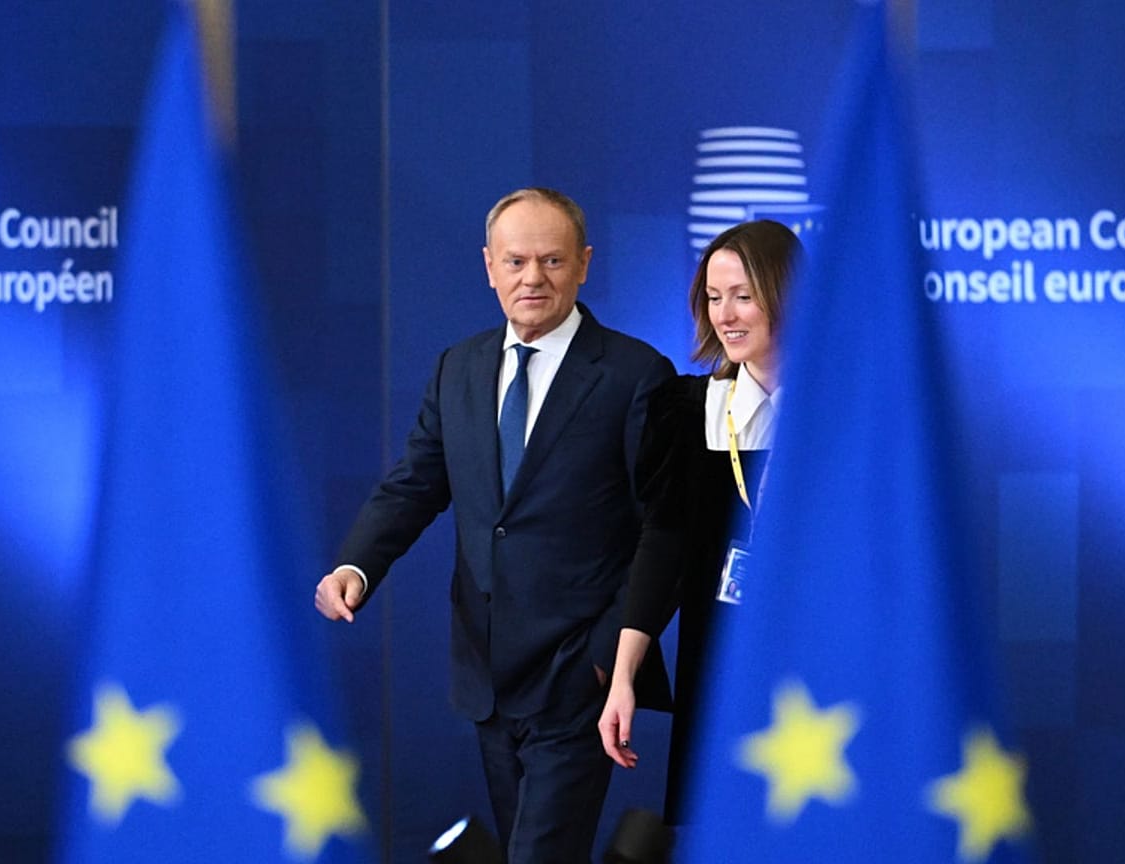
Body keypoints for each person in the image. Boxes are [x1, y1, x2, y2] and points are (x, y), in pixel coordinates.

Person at [314, 187, 676, 863]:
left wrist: (606, 658)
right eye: (515, 261)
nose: (532, 278)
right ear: (488, 266)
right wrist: (356, 566)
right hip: (488, 675)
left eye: (551, 260)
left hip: (578, 677)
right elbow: (415, 483)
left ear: (584, 263)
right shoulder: (460, 366)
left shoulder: (635, 375)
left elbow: (660, 530)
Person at [597, 220, 802, 824]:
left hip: (817, 667)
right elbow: (662, 550)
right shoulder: (688, 410)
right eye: (714, 298)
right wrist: (624, 675)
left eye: (744, 295)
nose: (726, 315)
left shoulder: (845, 414)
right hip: (718, 670)